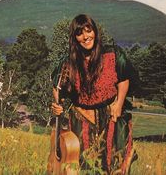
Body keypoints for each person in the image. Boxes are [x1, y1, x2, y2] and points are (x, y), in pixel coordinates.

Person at [51, 14, 137, 174]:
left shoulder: (113, 54)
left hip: (111, 114)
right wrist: (57, 105)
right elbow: (56, 87)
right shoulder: (68, 61)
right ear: (75, 38)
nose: (85, 37)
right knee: (85, 164)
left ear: (95, 31)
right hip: (82, 118)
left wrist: (119, 104)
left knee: (115, 163)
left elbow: (124, 79)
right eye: (79, 33)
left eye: (88, 31)